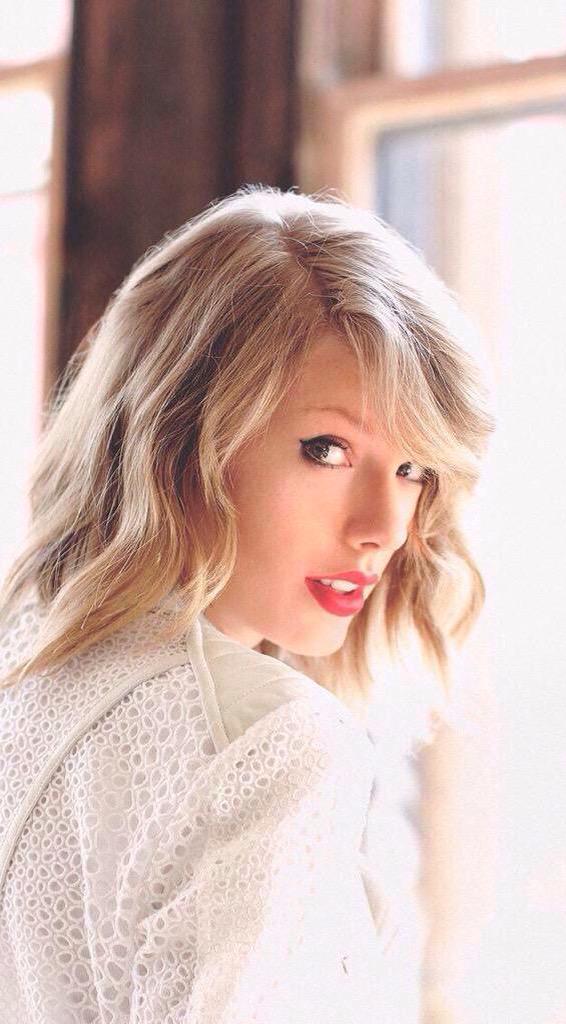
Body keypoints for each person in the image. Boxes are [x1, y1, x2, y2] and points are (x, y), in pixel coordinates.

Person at [0, 185, 495, 1022]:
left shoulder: (25, 660)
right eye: (326, 449)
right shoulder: (274, 748)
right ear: (178, 434)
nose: (383, 527)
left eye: (414, 469)